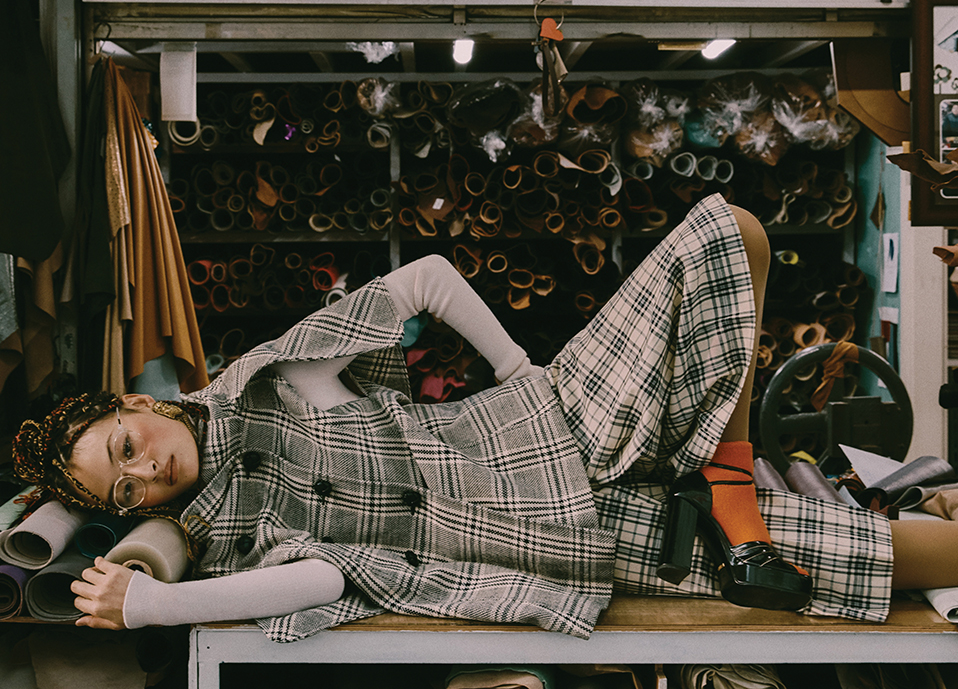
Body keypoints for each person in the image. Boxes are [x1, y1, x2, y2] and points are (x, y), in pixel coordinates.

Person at [10, 196, 951, 639]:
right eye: (121, 490)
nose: (144, 473)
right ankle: (741, 506)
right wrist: (156, 602)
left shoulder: (270, 380)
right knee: (892, 559)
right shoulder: (221, 535)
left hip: (558, 423)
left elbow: (427, 279)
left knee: (729, 234)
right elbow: (324, 581)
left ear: (138, 403)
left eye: (125, 446)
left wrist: (519, 378)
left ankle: (730, 478)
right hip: (558, 537)